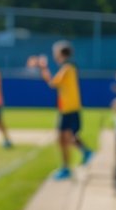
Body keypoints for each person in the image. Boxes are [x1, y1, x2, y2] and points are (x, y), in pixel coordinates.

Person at [38, 41, 93, 180]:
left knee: (63, 138)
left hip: (68, 109)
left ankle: (67, 167)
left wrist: (43, 67)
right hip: (70, 108)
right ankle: (84, 153)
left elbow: (52, 83)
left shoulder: (67, 68)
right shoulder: (69, 67)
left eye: (55, 53)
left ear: (60, 54)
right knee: (68, 137)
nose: (54, 55)